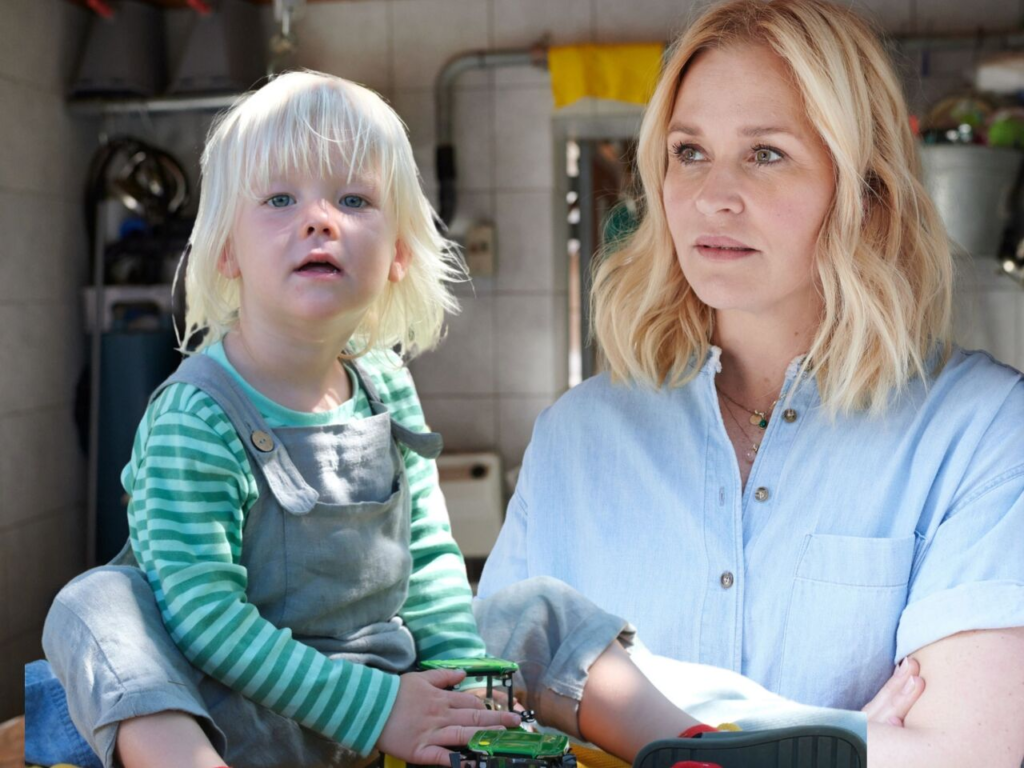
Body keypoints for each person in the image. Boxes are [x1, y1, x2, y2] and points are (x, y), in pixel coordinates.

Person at [27, 70, 756, 768]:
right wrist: (378, 710)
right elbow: (205, 619)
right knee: (94, 605)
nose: (319, 218)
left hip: (387, 682)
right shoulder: (197, 415)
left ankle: (694, 750)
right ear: (225, 252)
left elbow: (430, 559)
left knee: (538, 610)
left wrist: (465, 695)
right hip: (236, 712)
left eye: (353, 199)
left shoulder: (383, 386)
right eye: (279, 199)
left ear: (399, 252)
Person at [477, 1, 1024, 766]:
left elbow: (971, 754)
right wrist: (823, 742)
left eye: (765, 153)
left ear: (864, 186)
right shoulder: (576, 437)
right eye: (689, 152)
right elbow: (494, 716)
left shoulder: (983, 429)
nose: (712, 196)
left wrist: (625, 714)